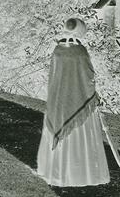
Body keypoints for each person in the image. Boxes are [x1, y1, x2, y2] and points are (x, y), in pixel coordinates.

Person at [37, 17, 110, 187]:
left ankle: (56, 172)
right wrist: (92, 95)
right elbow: (88, 76)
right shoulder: (80, 52)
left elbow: (53, 78)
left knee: (61, 128)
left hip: (58, 100)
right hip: (79, 98)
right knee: (79, 133)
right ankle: (80, 174)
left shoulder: (57, 50)